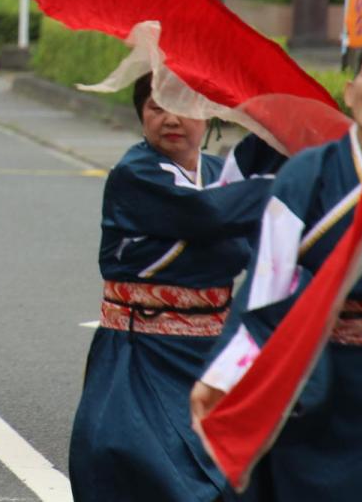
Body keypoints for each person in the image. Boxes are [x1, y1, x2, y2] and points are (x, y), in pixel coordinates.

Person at [191, 31, 362, 500]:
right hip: (311, 382)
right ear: (350, 92)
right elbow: (266, 287)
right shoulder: (307, 173)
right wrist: (221, 376)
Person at [68, 72, 281, 502]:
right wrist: (288, 184)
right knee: (137, 461)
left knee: (229, 463)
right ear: (141, 116)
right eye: (156, 107)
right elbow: (210, 214)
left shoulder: (220, 173)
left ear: (206, 115)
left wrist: (278, 126)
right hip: (141, 349)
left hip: (210, 351)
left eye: (184, 106)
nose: (170, 118)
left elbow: (249, 188)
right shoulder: (136, 174)